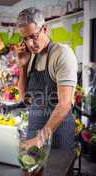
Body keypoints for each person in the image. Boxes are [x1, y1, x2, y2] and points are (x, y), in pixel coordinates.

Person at [17, 7, 78, 150]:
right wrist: (23, 66)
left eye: (33, 36)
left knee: (56, 172)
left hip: (58, 134)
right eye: (25, 39)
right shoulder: (30, 56)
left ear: (45, 29)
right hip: (33, 131)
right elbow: (24, 98)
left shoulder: (62, 54)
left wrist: (41, 139)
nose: (30, 44)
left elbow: (64, 103)